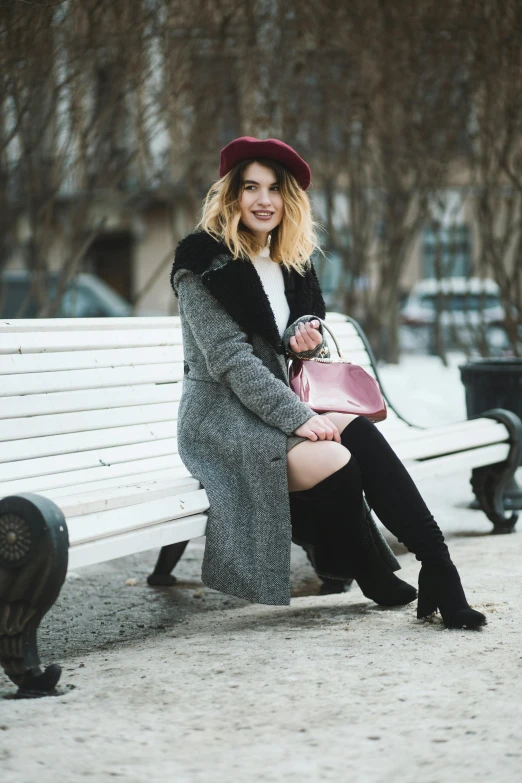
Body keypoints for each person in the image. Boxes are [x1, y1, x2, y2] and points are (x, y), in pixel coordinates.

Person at [170, 135, 486, 630]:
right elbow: (233, 363)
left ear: (288, 200)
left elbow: (294, 337)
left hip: (273, 406)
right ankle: (363, 566)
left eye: (275, 189)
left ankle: (439, 567)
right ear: (230, 194)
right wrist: (302, 418)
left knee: (356, 430)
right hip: (225, 421)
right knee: (336, 455)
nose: (263, 200)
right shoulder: (202, 264)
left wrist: (303, 336)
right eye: (250, 187)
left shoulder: (289, 262)